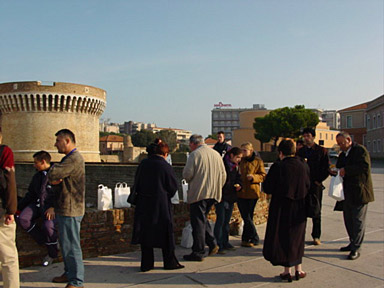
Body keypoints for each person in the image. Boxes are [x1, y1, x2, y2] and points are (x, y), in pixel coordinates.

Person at [131, 141, 184, 271]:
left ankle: (147, 264)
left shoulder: (143, 164)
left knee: (146, 234)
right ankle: (169, 262)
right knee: (165, 233)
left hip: (144, 203)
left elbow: (136, 182)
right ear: (165, 153)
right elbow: (172, 187)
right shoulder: (164, 166)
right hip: (160, 204)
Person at [263, 139, 310, 282]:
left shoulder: (278, 166)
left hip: (282, 207)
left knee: (284, 237)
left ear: (281, 152)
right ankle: (298, 269)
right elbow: (309, 185)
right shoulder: (303, 165)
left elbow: (268, 187)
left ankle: (287, 271)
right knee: (297, 237)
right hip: (300, 205)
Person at [48, 129, 85, 288]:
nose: (55, 144)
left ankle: (76, 281)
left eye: (58, 140)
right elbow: (54, 176)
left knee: (71, 246)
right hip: (66, 207)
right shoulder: (69, 159)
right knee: (66, 245)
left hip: (71, 209)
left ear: (67, 141)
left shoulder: (73, 159)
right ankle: (69, 273)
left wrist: (54, 173)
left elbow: (53, 173)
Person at [182, 134, 226, 261]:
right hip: (214, 192)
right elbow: (223, 175)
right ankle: (212, 243)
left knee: (198, 222)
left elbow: (187, 174)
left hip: (199, 193)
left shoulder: (194, 155)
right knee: (203, 219)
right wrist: (218, 187)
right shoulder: (216, 154)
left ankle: (199, 251)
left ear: (193, 144)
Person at [335, 132, 374, 260]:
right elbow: (339, 166)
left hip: (359, 192)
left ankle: (356, 248)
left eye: (342, 143)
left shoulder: (360, 150)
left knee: (358, 221)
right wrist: (335, 171)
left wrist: (347, 170)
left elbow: (364, 166)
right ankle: (352, 242)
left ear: (348, 140)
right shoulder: (343, 154)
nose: (341, 146)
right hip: (347, 193)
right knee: (348, 220)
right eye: (339, 144)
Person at [17, 150, 58, 267]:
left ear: (43, 162)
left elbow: (62, 193)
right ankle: (45, 241)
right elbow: (31, 194)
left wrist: (54, 207)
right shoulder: (37, 176)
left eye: (36, 163)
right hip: (38, 204)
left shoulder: (56, 174)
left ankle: (52, 254)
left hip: (51, 207)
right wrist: (17, 206)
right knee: (23, 218)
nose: (34, 165)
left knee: (48, 226)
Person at [297, 128, 330, 245]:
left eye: (308, 136)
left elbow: (326, 168)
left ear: (313, 137)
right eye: (304, 136)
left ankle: (316, 235)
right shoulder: (301, 152)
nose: (306, 138)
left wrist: (318, 180)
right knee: (301, 210)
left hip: (315, 185)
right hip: (303, 185)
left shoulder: (322, 151)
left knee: (316, 210)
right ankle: (300, 235)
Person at [214, 147, 242, 254]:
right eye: (238, 157)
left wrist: (240, 185)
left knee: (226, 221)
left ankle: (225, 241)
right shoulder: (222, 165)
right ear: (231, 156)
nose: (239, 159)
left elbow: (239, 178)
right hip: (222, 196)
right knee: (220, 220)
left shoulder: (236, 167)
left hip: (231, 196)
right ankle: (218, 243)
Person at [0, 134, 20, 288]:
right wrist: (11, 210)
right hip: (1, 212)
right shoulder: (4, 152)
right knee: (8, 258)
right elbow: (10, 182)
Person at [238, 142, 266, 247]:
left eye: (245, 150)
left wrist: (254, 177)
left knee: (248, 216)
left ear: (251, 150)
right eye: (242, 150)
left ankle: (249, 238)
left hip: (252, 192)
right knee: (245, 216)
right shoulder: (240, 161)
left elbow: (263, 175)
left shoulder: (258, 161)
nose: (243, 153)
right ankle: (250, 237)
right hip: (240, 192)